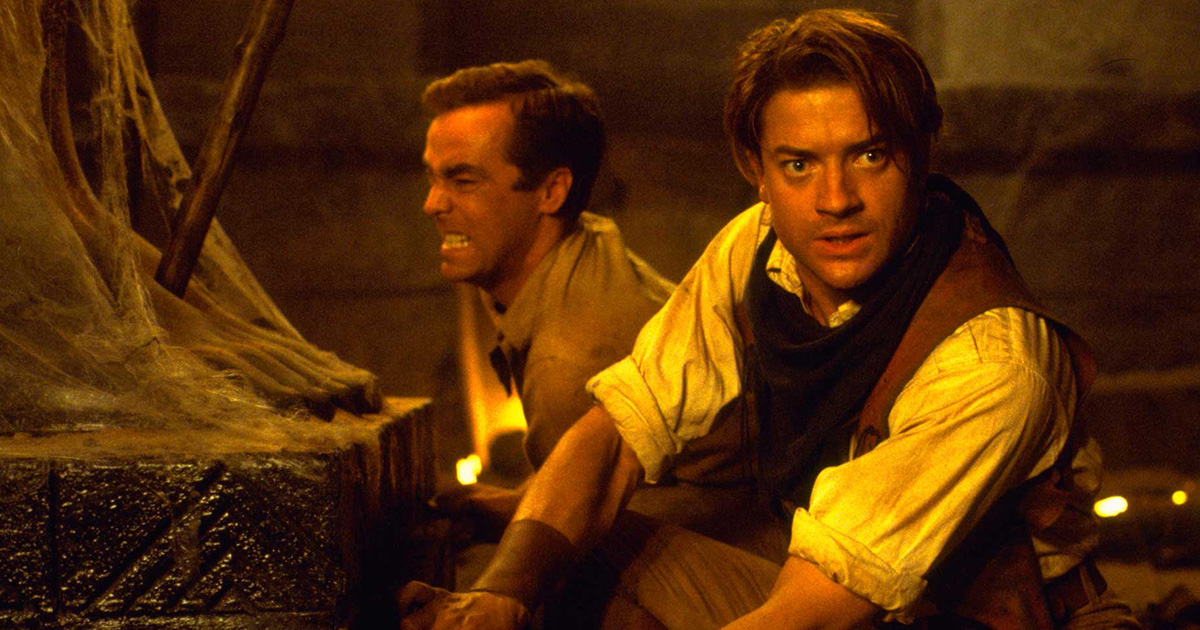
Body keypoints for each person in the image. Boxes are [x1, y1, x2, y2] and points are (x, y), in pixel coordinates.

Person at [401, 10, 1140, 630]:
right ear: (755, 168)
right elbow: (619, 432)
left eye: (870, 155)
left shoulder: (989, 359)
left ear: (921, 155)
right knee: (572, 550)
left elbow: (813, 611)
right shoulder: (759, 245)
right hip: (832, 580)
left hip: (971, 616)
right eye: (798, 165)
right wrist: (500, 594)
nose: (835, 199)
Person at [420, 60, 676, 537]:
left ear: (552, 192)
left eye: (463, 180)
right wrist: (496, 507)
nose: (432, 204)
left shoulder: (572, 362)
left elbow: (587, 535)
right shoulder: (588, 245)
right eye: (433, 178)